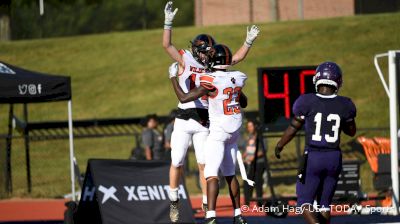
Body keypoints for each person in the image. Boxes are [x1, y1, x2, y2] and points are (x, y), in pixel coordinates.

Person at [163, 1, 259, 222]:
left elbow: (235, 58)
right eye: (205, 52)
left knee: (204, 164)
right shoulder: (185, 58)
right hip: (184, 115)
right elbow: (167, 45)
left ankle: (208, 206)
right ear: (197, 51)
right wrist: (168, 22)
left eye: (210, 53)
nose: (208, 56)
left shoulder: (214, 66)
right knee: (177, 160)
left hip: (205, 119)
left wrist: (248, 42)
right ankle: (174, 199)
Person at [168, 44, 249, 224]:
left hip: (218, 132)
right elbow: (244, 102)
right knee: (230, 175)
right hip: (234, 134)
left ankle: (210, 215)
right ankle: (238, 215)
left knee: (211, 174)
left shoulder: (210, 79)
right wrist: (248, 43)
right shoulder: (237, 77)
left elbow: (183, 98)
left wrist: (173, 78)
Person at [274, 62, 357, 224]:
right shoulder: (345, 104)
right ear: (338, 81)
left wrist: (280, 144)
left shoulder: (306, 101)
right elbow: (351, 131)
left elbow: (293, 127)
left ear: (317, 79)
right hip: (334, 157)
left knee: (304, 201)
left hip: (313, 156)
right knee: (325, 204)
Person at [242, 119, 265, 207]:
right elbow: (246, 149)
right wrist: (244, 156)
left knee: (258, 181)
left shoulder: (260, 137)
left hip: (258, 163)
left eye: (251, 126)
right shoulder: (248, 137)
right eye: (248, 127)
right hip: (248, 163)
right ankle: (247, 201)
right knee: (247, 182)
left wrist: (254, 157)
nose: (250, 128)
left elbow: (263, 151)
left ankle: (259, 201)